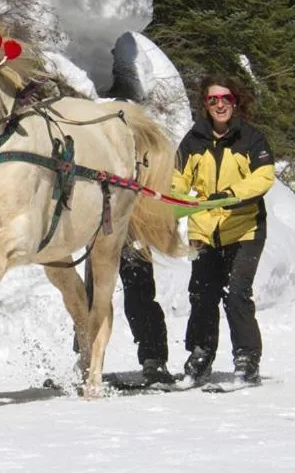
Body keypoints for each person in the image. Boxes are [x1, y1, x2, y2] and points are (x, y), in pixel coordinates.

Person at [172, 75, 275, 385]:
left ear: (235, 101)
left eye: (225, 98)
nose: (219, 105)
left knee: (237, 293)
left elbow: (264, 177)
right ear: (205, 104)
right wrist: (176, 198)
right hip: (204, 230)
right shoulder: (193, 141)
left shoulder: (251, 138)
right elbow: (177, 179)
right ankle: (201, 354)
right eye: (212, 100)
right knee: (202, 295)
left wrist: (231, 194)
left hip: (244, 229)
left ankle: (247, 358)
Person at [118, 242, 173, 385]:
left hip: (133, 233)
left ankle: (154, 357)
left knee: (138, 297)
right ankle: (86, 355)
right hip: (96, 232)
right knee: (91, 299)